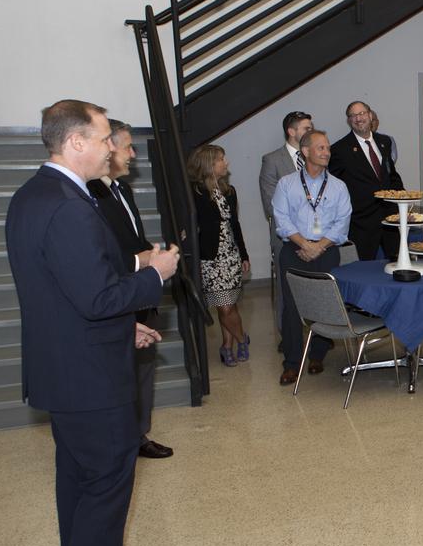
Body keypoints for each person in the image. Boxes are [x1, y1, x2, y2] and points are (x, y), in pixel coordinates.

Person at [6, 99, 179, 546]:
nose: (112, 147)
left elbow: (68, 291)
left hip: (71, 358)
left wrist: (123, 327)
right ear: (76, 142)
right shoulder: (67, 207)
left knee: (79, 484)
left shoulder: (37, 194)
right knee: (104, 483)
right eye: (106, 137)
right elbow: (99, 293)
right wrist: (158, 275)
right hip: (88, 375)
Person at [87, 120, 173, 460]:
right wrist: (142, 260)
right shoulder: (93, 194)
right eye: (127, 148)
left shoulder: (123, 189)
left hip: (139, 290)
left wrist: (150, 255)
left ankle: (138, 434)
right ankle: (123, 438)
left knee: (142, 368)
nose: (133, 154)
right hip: (119, 291)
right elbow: (104, 254)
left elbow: (130, 240)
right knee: (121, 373)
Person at [273, 130, 352, 385]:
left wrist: (320, 246)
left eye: (328, 148)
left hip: (327, 252)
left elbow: (342, 223)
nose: (326, 152)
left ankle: (317, 355)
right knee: (292, 307)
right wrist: (304, 243)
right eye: (320, 148)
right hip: (294, 250)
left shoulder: (339, 186)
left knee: (323, 304)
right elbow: (281, 219)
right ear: (305, 151)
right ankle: (292, 363)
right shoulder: (287, 183)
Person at [187, 145, 251, 368]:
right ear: (209, 164)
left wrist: (243, 254)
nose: (227, 163)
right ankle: (243, 339)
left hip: (231, 256)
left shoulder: (229, 191)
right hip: (210, 259)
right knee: (224, 306)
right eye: (222, 159)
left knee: (230, 305)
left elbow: (235, 224)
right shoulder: (194, 192)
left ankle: (227, 347)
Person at [259, 110, 313, 336]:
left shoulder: (315, 157)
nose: (311, 132)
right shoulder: (272, 160)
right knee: (286, 289)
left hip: (316, 238)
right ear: (292, 132)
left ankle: (318, 333)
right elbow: (272, 206)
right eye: (306, 129)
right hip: (286, 238)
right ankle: (288, 336)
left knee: (315, 286)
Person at [329, 100, 403, 260]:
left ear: (370, 116)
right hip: (361, 222)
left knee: (396, 266)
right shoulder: (339, 150)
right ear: (349, 121)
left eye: (362, 113)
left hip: (390, 220)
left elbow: (391, 175)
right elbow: (335, 187)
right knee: (362, 270)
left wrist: (402, 199)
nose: (358, 118)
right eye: (353, 115)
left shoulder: (385, 142)